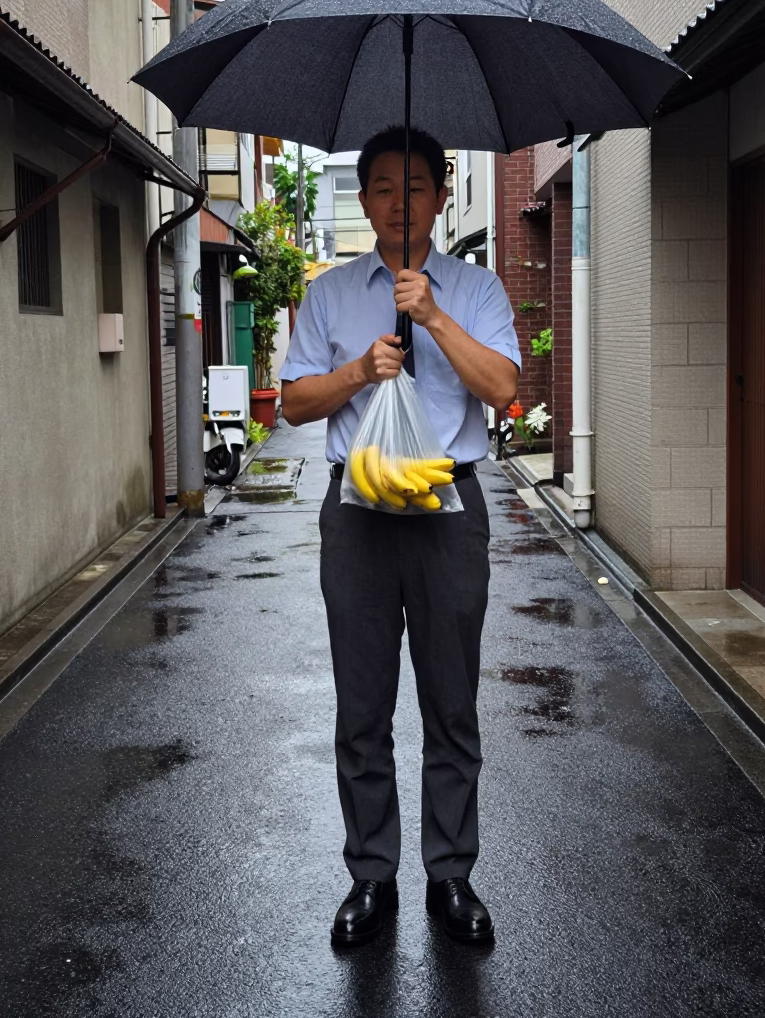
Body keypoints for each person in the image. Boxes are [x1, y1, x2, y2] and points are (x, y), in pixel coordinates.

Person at [280, 127, 520, 946]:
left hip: (449, 511)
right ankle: (370, 876)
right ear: (365, 199)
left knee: (452, 703)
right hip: (358, 514)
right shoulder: (332, 293)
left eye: (414, 186)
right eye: (381, 187)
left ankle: (451, 875)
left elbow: (505, 389)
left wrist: (436, 317)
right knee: (362, 704)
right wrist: (358, 371)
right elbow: (295, 403)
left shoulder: (478, 288)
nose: (398, 202)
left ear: (442, 194)